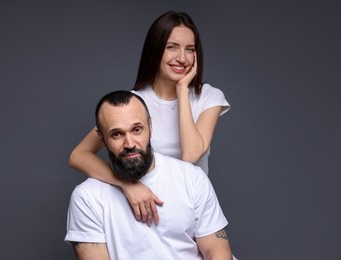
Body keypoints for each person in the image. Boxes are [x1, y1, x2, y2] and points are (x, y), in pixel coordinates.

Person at [69, 10, 230, 225]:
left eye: (190, 49)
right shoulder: (135, 103)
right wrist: (128, 185)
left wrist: (182, 90)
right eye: (171, 47)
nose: (182, 58)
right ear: (155, 50)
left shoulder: (209, 97)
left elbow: (191, 155)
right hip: (145, 214)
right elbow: (78, 155)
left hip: (193, 214)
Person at [65, 90, 233, 259]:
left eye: (137, 129)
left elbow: (217, 253)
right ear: (102, 140)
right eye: (117, 134)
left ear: (151, 127)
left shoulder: (192, 178)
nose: (129, 144)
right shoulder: (87, 197)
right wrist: (127, 184)